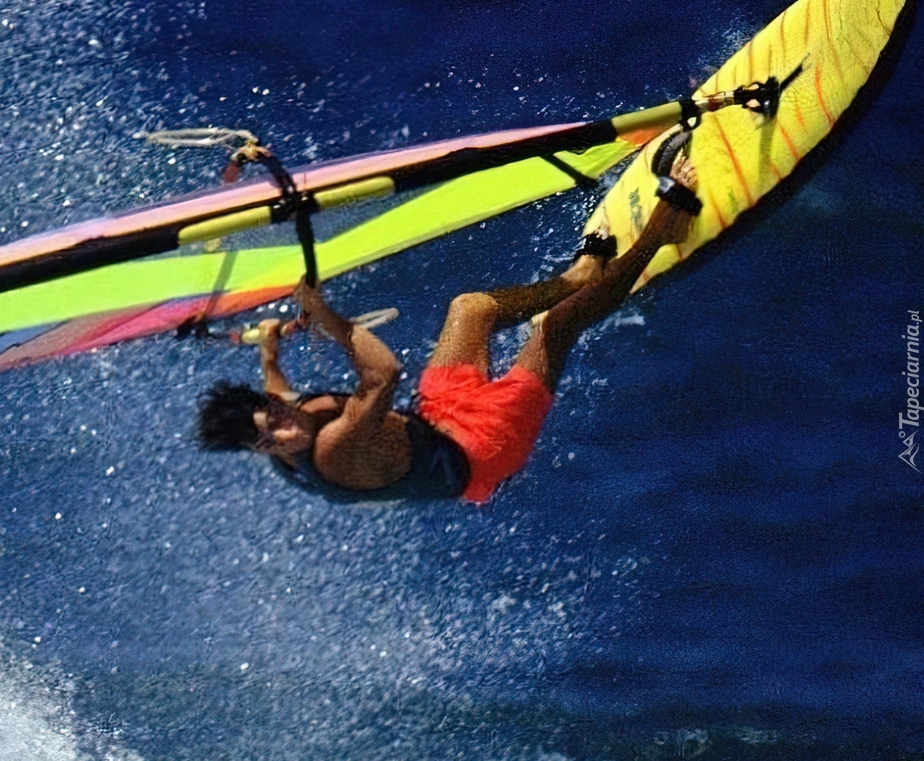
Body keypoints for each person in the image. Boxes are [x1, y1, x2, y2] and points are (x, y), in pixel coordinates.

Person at [195, 145, 703, 504]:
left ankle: (582, 272)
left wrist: (268, 347)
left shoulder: (284, 412)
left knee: (470, 308)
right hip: (480, 454)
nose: (283, 433)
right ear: (261, 453)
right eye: (269, 441)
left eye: (272, 418)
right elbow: (383, 375)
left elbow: (275, 387)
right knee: (557, 327)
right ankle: (665, 228)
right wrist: (323, 312)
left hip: (437, 417)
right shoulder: (330, 450)